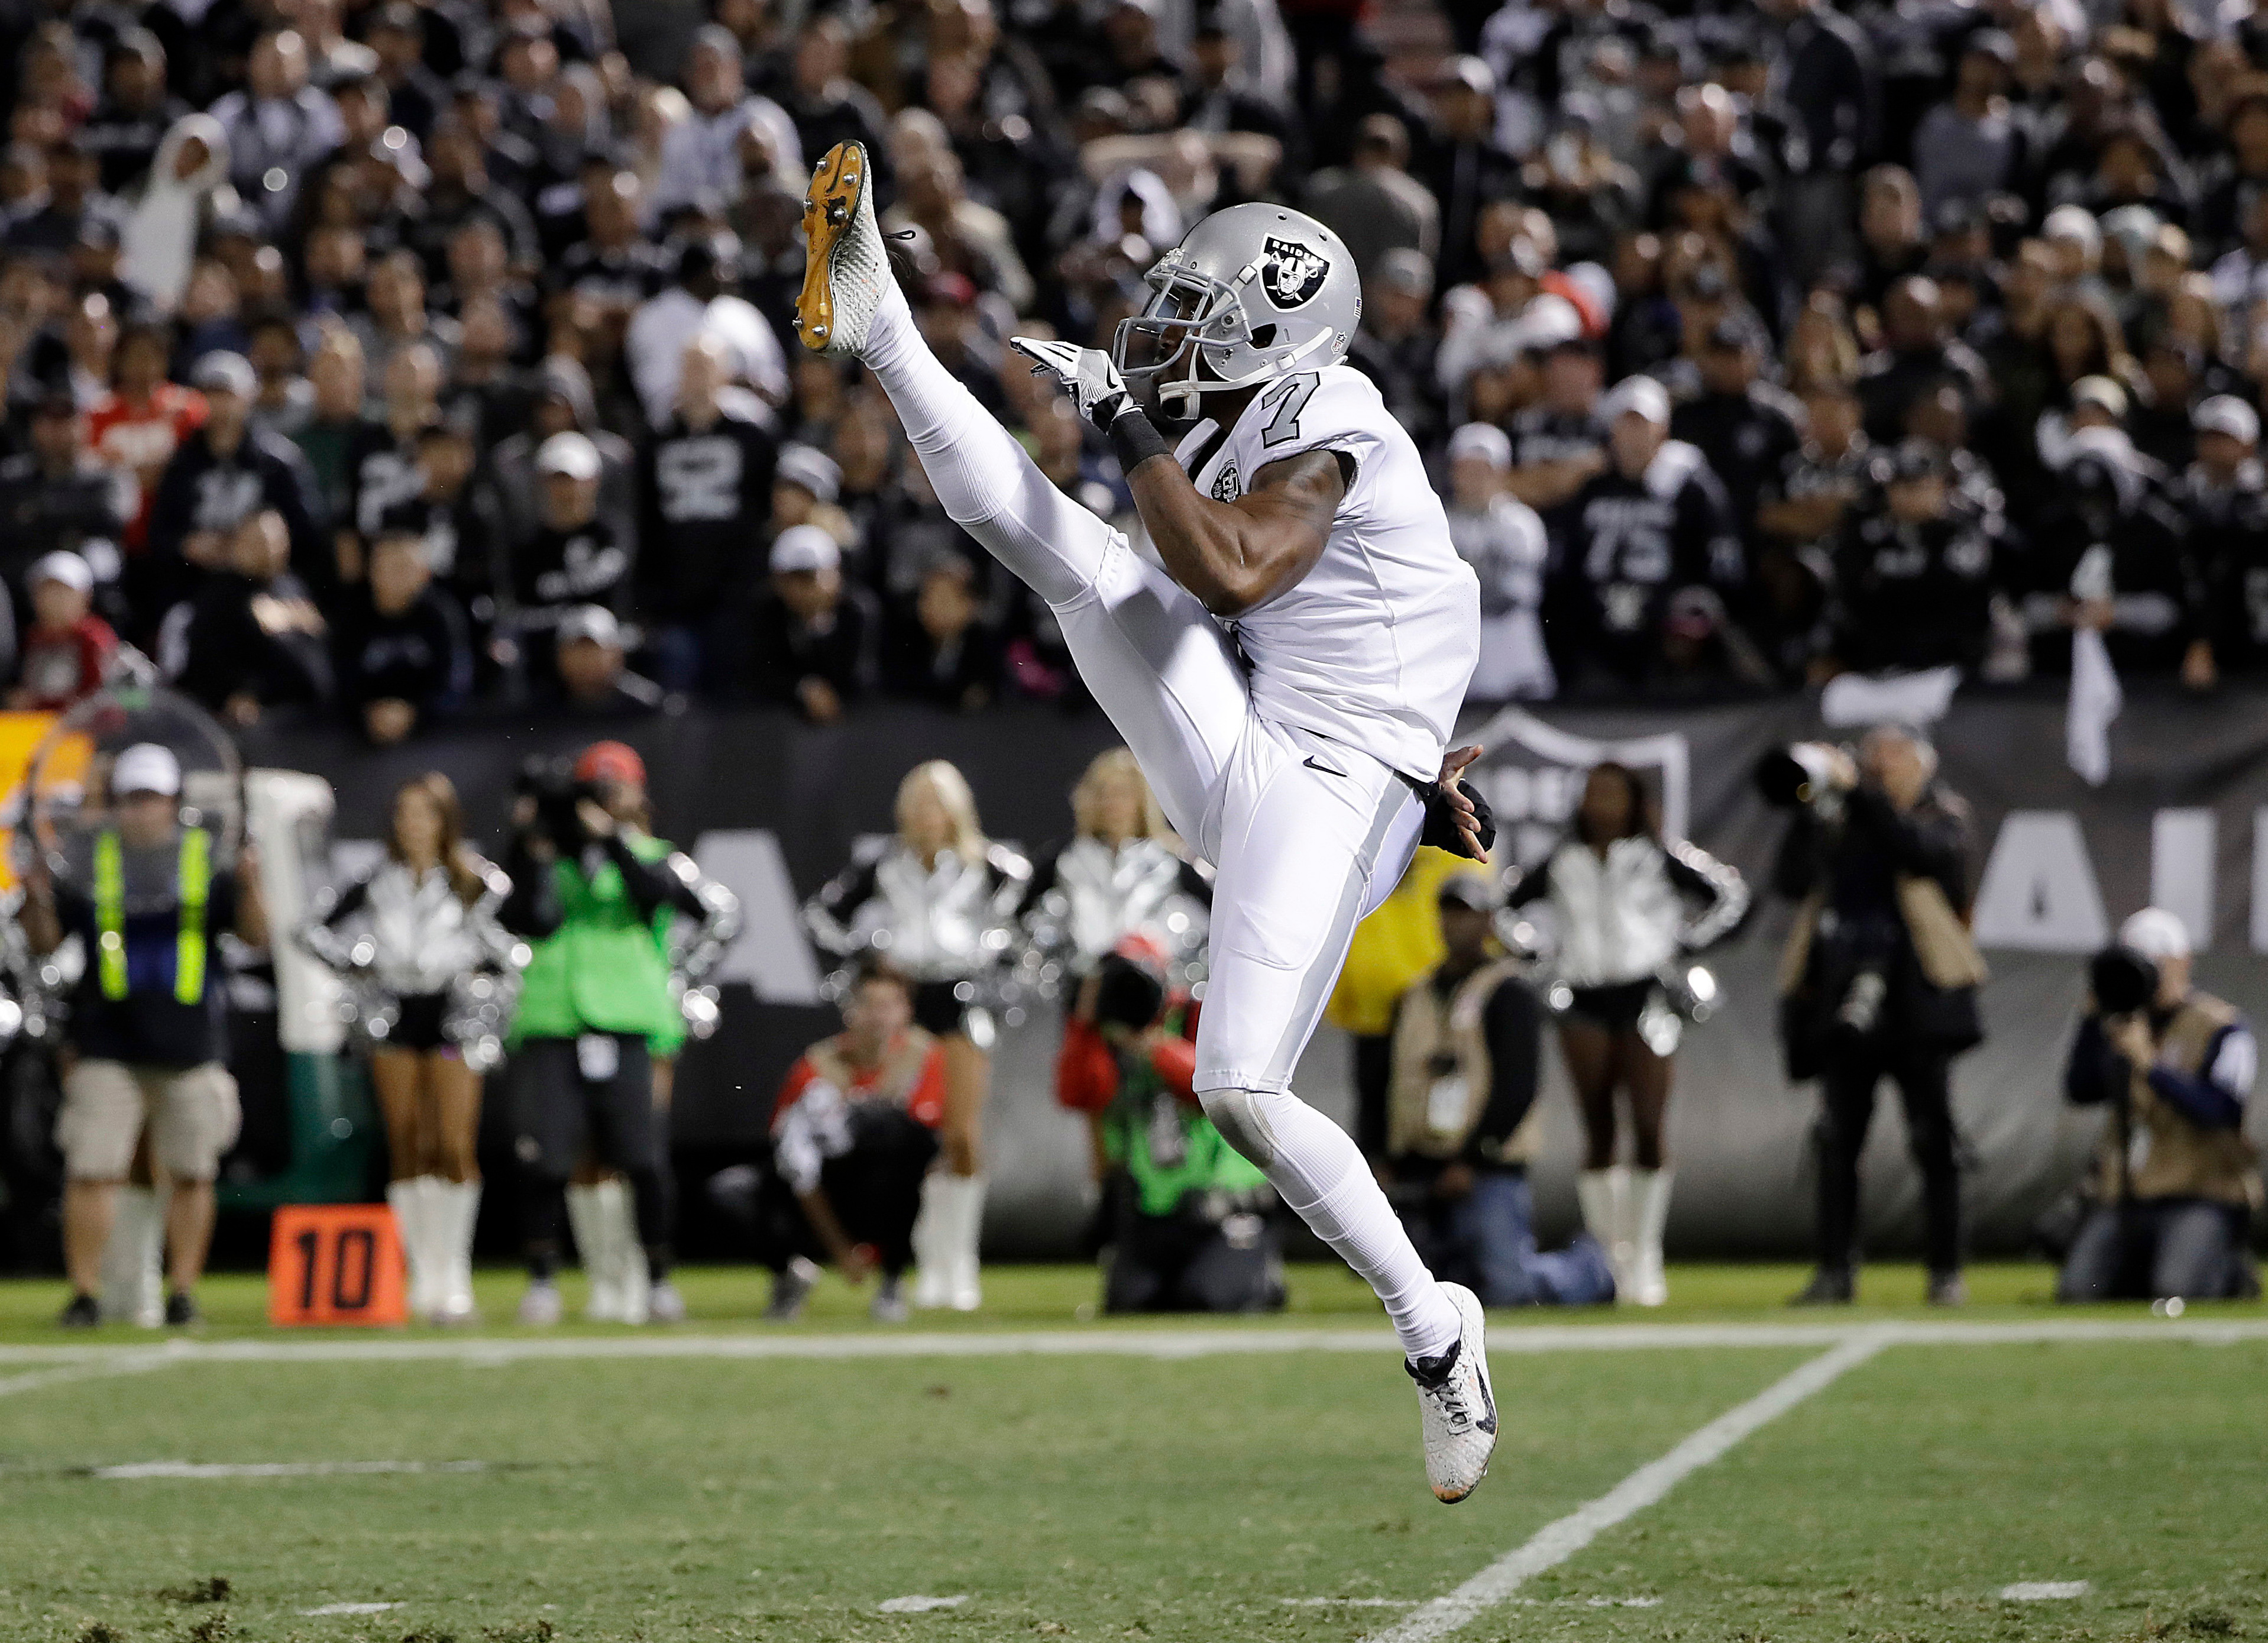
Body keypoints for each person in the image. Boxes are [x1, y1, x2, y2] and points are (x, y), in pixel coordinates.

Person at [795, 143, 1499, 1500]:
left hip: (1336, 780)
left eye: (1202, 313)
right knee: (1066, 563)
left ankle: (1434, 1327)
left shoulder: (1333, 416)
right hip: (1275, 749)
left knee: (1236, 1084)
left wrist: (1127, 425)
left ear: (1278, 343)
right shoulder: (1243, 412)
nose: (1169, 324)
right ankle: (882, 319)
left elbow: (1234, 570)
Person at [26, 743, 266, 1327]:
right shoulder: (87, 860)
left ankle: (182, 1290)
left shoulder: (206, 861)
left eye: (152, 798)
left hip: (189, 1042)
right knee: (92, 1168)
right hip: (107, 1039)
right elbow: (46, 943)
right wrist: (37, 897)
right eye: (131, 798)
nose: (142, 810)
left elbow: (256, 937)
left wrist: (254, 884)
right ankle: (90, 1293)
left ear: (174, 803)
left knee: (192, 1171)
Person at [1503, 762, 1746, 1305]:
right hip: (1584, 997)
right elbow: (1505, 906)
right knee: (1597, 1129)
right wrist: (1539, 953)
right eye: (1593, 793)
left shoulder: (1658, 854)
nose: (1602, 804)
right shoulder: (1562, 859)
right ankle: (1607, 1258)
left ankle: (1645, 1254)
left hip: (1646, 996)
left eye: (1614, 793)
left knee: (1649, 1125)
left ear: (1635, 800)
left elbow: (1730, 896)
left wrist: (1682, 944)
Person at [499, 739, 711, 1327]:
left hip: (627, 1017)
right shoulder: (548, 855)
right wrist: (529, 842)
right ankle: (557, 1278)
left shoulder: (653, 853)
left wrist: (608, 837)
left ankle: (655, 1277)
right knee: (549, 1157)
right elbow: (524, 919)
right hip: (556, 1014)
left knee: (641, 1155)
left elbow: (655, 899)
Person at [1773, 723, 1986, 1306]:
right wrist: (1810, 807)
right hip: (1843, 997)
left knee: (1933, 1139)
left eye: (1891, 757)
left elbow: (1917, 853)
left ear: (1922, 764)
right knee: (1837, 1139)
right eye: (1870, 758)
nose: (1878, 767)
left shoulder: (1943, 814)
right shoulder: (1839, 816)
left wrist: (1860, 797)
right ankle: (1834, 1270)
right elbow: (1789, 880)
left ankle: (1945, 1269)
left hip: (1917, 1000)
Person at [804, 759, 1029, 1312]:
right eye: (918, 803)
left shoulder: (994, 866)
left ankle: (960, 1263)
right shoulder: (883, 864)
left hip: (962, 1000)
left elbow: (1028, 931)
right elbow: (821, 915)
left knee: (960, 1134)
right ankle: (927, 1260)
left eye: (938, 803)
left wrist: (991, 961)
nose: (928, 815)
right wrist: (872, 953)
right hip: (904, 1002)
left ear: (957, 810)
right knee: (912, 1138)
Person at [302, 774, 513, 1322]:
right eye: (405, 814)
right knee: (407, 1141)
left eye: (425, 814)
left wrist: (479, 970)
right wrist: (360, 962)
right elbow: (312, 930)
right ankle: (423, 1274)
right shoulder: (376, 880)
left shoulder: (476, 881)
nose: (413, 825)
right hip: (395, 1015)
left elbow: (514, 949)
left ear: (445, 821)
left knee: (452, 1142)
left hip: (452, 1016)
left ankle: (454, 1272)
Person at [1383, 874, 1615, 1306]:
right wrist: (1389, 1158)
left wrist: (1474, 1158)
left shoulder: (1508, 991)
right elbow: (1392, 1082)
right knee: (1416, 1298)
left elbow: (1517, 1087)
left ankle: (1587, 1269)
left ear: (1490, 922)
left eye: (1468, 915)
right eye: (1450, 914)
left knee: (1506, 1289)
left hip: (1485, 1170)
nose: (1457, 925)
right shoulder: (1416, 993)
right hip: (1422, 1168)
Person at [1059, 934, 1286, 1314]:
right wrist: (1084, 1025)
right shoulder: (1105, 1041)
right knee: (1131, 1303)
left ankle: (1262, 1275)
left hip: (1223, 1205)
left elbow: (1212, 1090)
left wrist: (1152, 1044)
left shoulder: (1198, 1013)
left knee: (1209, 1298)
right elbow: (1077, 1094)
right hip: (1153, 1213)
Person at [2057, 910, 2260, 1302]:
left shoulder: (2220, 1027)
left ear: (2182, 962)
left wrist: (2150, 1066)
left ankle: (2231, 1269)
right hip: (2128, 1194)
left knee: (2175, 1292)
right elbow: (2079, 1089)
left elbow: (2219, 1111)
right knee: (2079, 1291)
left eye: (2154, 964)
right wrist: (2093, 1013)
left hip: (2200, 1192)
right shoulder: (2121, 1026)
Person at [760, 958, 945, 1322]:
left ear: (906, 1011)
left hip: (888, 1191)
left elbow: (926, 1136)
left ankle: (893, 1278)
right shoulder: (817, 1066)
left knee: (901, 1145)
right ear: (850, 1011)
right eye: (869, 1005)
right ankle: (789, 1274)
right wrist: (840, 1248)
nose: (879, 1016)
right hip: (829, 1189)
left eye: (888, 1005)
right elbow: (792, 1157)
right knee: (740, 1192)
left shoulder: (924, 1056)